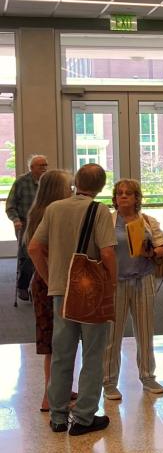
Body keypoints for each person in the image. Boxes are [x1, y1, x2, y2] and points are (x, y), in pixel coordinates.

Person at [28, 164, 117, 436]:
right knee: (92, 354)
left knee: (62, 353)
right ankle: (84, 417)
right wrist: (110, 285)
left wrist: (48, 277)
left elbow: (34, 247)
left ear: (76, 182)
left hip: (60, 291)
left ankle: (57, 415)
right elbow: (108, 254)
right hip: (90, 292)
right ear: (101, 186)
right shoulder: (99, 210)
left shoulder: (54, 208)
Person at [102, 179, 163, 401]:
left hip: (143, 279)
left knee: (145, 330)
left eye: (129, 193)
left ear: (137, 197)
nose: (124, 197)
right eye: (119, 193)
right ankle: (109, 381)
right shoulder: (107, 222)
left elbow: (161, 246)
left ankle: (148, 376)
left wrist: (153, 252)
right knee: (113, 333)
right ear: (114, 197)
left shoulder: (147, 221)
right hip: (115, 282)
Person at [23, 168, 72, 412]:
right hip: (49, 284)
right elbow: (36, 250)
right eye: (68, 187)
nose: (71, 190)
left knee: (57, 340)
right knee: (55, 341)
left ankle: (58, 388)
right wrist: (50, 278)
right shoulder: (48, 214)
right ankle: (49, 395)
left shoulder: (39, 212)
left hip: (46, 282)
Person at [6, 154, 48, 300]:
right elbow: (10, 206)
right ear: (31, 168)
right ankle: (23, 286)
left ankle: (40, 286)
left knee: (44, 254)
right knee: (28, 255)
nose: (44, 168)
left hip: (44, 223)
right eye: (41, 165)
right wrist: (16, 220)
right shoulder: (21, 182)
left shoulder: (47, 183)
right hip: (25, 223)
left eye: (45, 165)